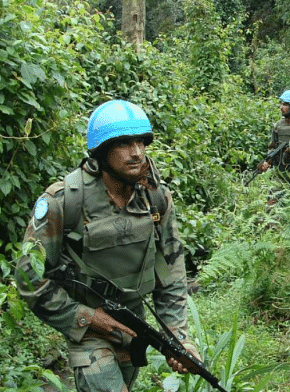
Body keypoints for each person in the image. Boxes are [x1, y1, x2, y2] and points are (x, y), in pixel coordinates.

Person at [15, 100, 200, 391]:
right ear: (101, 150)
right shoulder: (63, 202)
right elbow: (28, 279)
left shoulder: (156, 198)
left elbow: (172, 274)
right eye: (124, 143)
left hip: (133, 323)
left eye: (141, 142)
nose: (137, 152)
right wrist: (86, 317)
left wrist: (179, 338)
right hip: (88, 327)